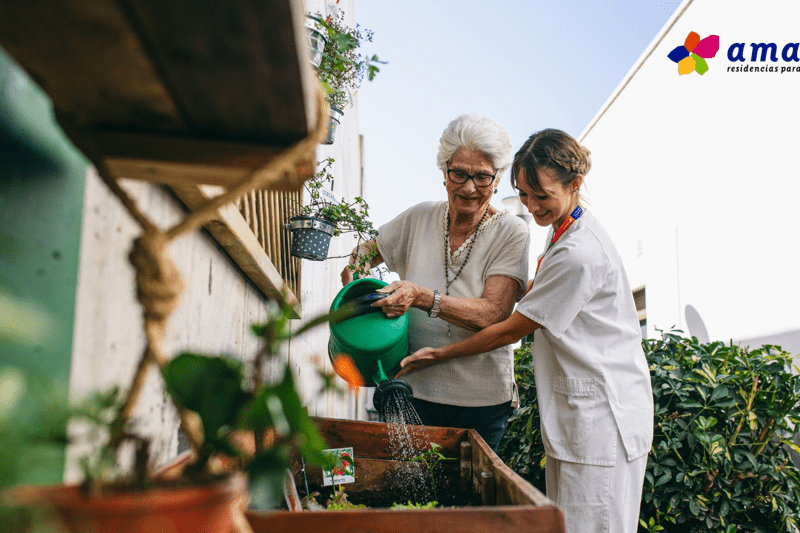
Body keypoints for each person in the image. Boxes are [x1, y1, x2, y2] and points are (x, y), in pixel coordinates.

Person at [397, 129, 654, 533]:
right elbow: (546, 296)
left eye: (542, 196)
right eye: (524, 194)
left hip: (603, 418)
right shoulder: (565, 229)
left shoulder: (579, 252)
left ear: (575, 184)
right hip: (581, 416)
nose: (532, 207)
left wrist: (437, 354)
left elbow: (507, 330)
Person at [341, 113, 530, 451]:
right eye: (458, 173)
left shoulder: (510, 231)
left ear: (498, 178)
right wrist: (356, 281)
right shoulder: (419, 217)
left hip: (482, 403)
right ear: (444, 172)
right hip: (413, 390)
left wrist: (423, 297)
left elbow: (492, 313)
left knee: (468, 500)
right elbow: (363, 254)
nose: (469, 187)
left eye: (482, 177)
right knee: (408, 496)